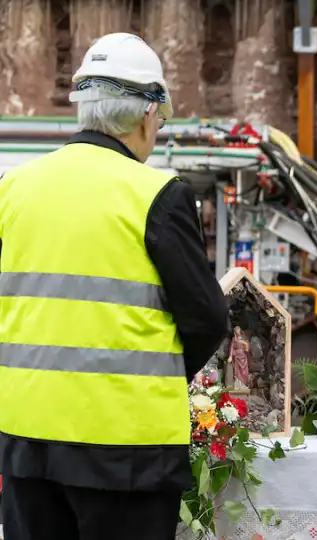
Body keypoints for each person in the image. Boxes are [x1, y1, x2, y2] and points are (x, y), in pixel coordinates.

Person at [0, 33, 228, 540]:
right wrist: (159, 372)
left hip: (27, 440)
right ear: (149, 115)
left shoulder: (12, 189)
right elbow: (207, 319)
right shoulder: (157, 195)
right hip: (126, 448)